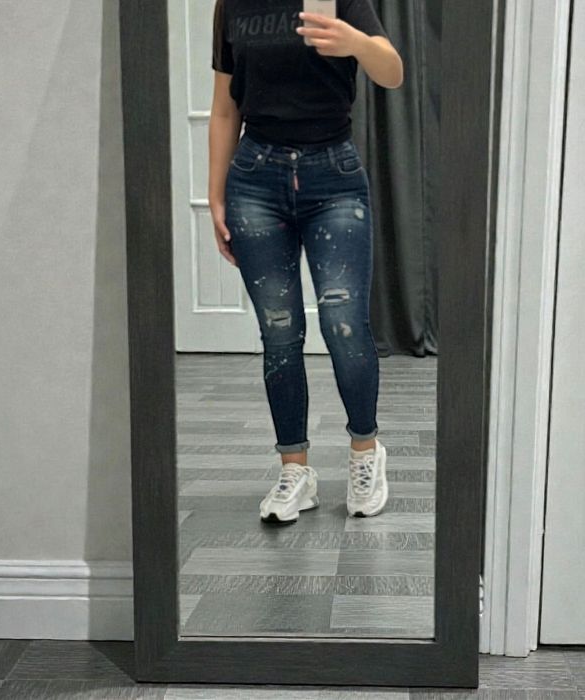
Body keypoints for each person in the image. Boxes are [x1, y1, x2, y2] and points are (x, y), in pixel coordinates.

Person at [207, 0, 403, 524]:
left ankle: (365, 452)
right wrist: (216, 194)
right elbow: (225, 107)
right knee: (279, 332)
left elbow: (392, 72)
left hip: (333, 175)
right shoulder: (232, 5)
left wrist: (354, 43)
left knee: (344, 325)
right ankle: (295, 470)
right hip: (255, 178)